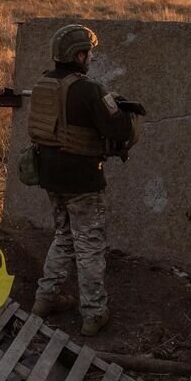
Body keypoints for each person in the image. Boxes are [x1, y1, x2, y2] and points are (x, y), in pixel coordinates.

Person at [27, 24, 136, 336]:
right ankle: (93, 313)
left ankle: (44, 299)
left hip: (49, 174)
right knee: (89, 245)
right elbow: (119, 131)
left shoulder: (43, 84)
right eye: (88, 52)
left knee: (63, 236)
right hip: (83, 180)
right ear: (78, 54)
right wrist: (117, 108)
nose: (90, 57)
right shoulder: (89, 90)